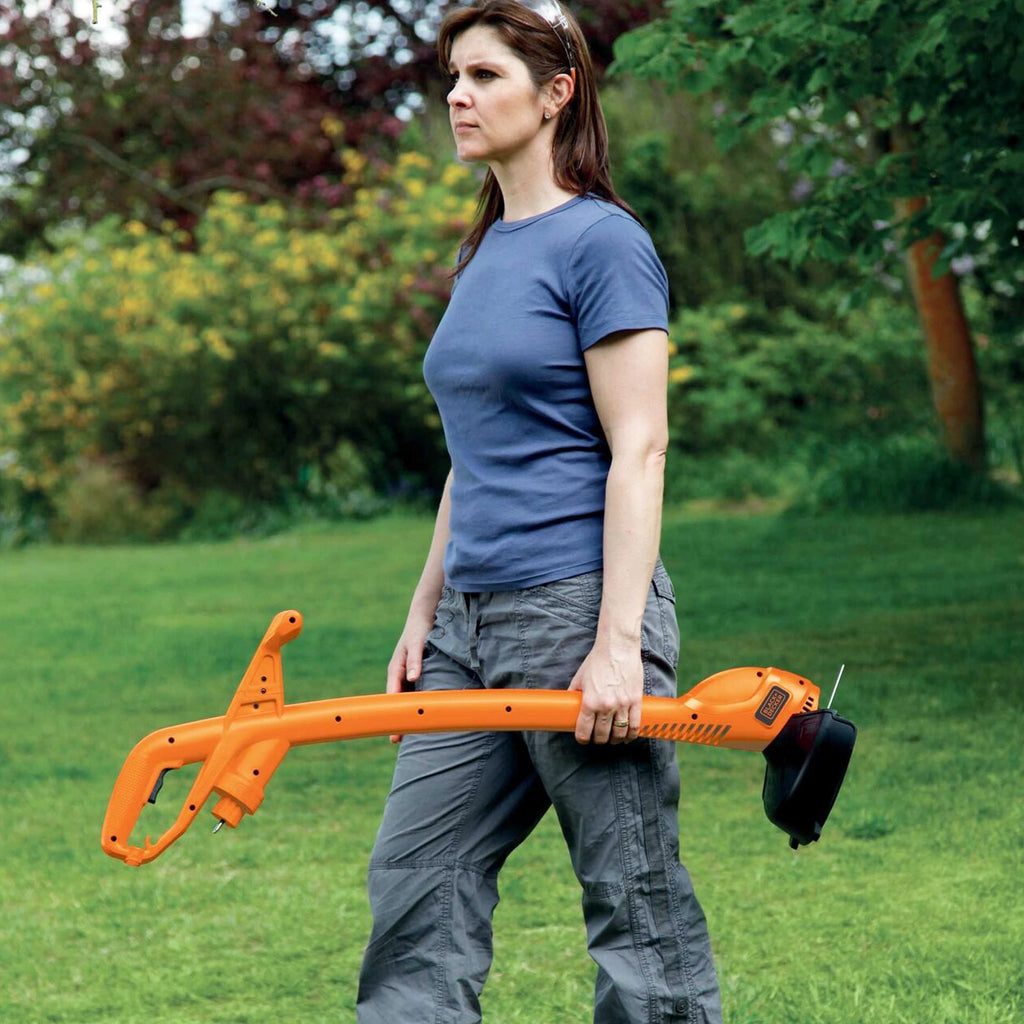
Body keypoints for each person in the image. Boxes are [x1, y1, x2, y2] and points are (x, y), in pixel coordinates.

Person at [356, 3, 722, 1021]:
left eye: (483, 76)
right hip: (467, 627)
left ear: (556, 92)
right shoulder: (483, 254)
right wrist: (424, 612)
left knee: (632, 895)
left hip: (573, 609)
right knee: (415, 880)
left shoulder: (603, 243)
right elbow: (469, 456)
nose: (457, 98)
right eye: (452, 78)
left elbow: (639, 447)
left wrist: (616, 643)